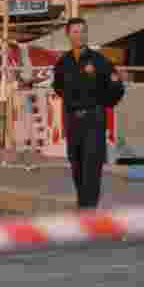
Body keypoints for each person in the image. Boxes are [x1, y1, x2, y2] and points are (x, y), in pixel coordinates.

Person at [52, 17, 125, 210]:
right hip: (73, 119)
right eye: (75, 32)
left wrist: (103, 103)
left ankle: (88, 208)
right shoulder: (63, 62)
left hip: (94, 119)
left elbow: (117, 86)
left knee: (91, 165)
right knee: (76, 163)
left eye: (83, 31)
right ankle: (83, 202)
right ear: (68, 35)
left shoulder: (99, 60)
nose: (80, 35)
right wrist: (71, 103)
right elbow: (57, 86)